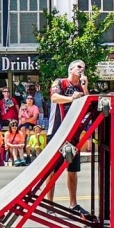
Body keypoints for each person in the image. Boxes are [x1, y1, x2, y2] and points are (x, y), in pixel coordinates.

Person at [46, 60, 92, 215]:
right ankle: (49, 203)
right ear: (70, 68)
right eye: (79, 67)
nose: (81, 70)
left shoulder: (80, 87)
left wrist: (85, 88)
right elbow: (54, 98)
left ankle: (73, 203)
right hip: (57, 132)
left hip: (73, 134)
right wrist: (72, 98)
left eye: (84, 68)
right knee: (52, 170)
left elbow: (87, 106)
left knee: (72, 170)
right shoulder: (60, 82)